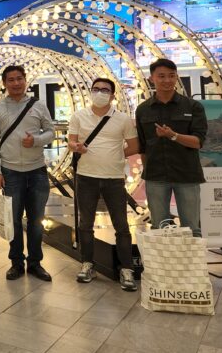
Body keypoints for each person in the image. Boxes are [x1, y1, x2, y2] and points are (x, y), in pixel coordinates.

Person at [69, 78, 140, 291]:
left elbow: (134, 145)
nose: (100, 93)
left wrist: (115, 156)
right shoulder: (79, 116)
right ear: (91, 92)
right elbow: (71, 141)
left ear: (112, 95)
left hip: (114, 178)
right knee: (85, 223)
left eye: (105, 90)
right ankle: (87, 264)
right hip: (86, 176)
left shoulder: (122, 119)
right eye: (96, 89)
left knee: (121, 225)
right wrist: (76, 147)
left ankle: (126, 269)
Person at [0, 65, 55, 282]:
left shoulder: (38, 105)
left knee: (36, 220)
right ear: (4, 83)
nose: (16, 83)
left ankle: (35, 263)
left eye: (19, 79)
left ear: (26, 80)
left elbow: (51, 132)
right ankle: (16, 262)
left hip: (37, 171)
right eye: (11, 80)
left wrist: (36, 140)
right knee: (13, 221)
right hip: (10, 172)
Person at [136, 58, 207, 237]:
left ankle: (192, 257)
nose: (167, 80)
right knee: (159, 229)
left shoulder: (193, 106)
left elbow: (198, 142)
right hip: (155, 177)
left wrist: (173, 135)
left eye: (171, 75)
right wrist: (148, 170)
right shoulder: (143, 110)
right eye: (161, 76)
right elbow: (143, 147)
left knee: (191, 228)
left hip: (187, 175)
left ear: (176, 77)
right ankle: (163, 258)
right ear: (151, 78)